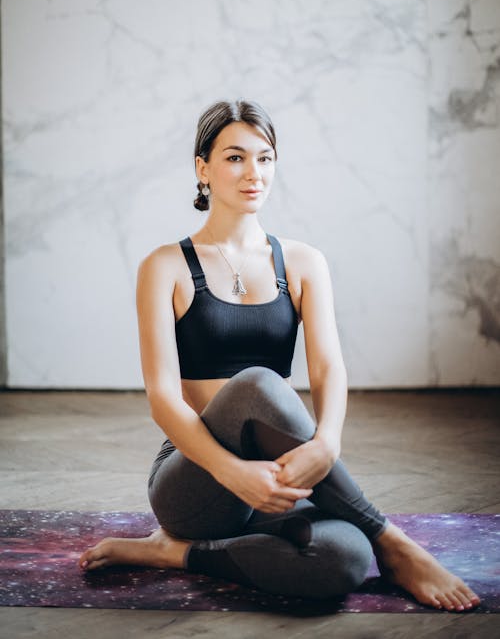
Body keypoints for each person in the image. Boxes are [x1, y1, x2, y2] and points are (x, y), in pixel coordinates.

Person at [79, 99, 480, 611]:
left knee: (346, 558)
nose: (253, 173)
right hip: (196, 482)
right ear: (202, 169)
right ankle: (394, 541)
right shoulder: (165, 267)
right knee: (259, 384)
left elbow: (328, 367)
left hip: (275, 477)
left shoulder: (304, 262)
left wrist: (328, 443)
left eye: (265, 158)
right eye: (234, 158)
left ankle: (174, 554)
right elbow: (162, 398)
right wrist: (231, 471)